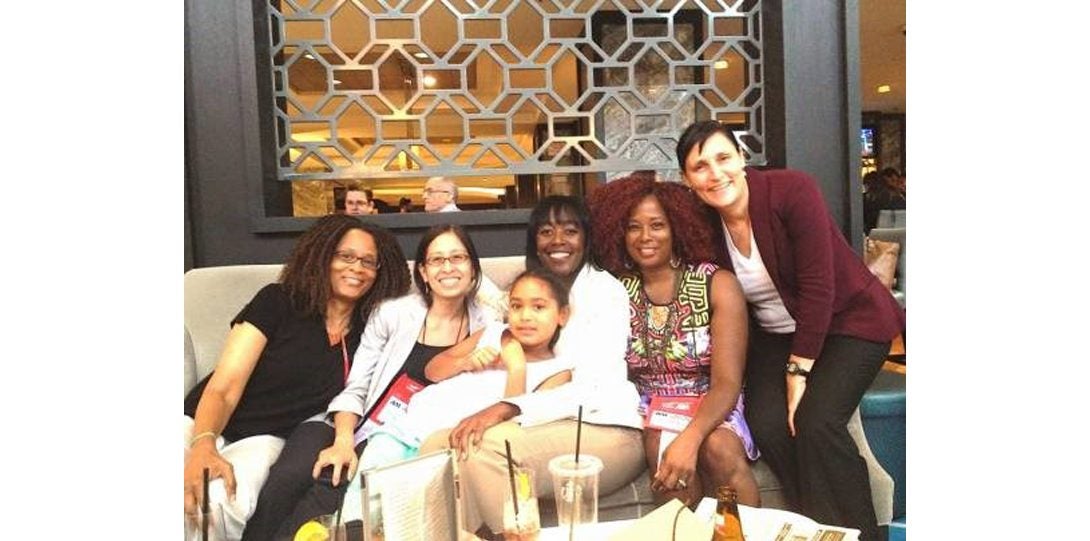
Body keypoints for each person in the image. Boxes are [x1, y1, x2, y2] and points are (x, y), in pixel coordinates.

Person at [675, 120, 905, 541]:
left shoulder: (791, 190)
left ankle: (864, 534)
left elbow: (820, 286)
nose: (715, 173)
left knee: (816, 420)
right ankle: (812, 526)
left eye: (723, 157)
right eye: (700, 167)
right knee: (768, 423)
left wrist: (798, 373)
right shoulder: (706, 226)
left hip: (849, 323)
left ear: (742, 159)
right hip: (775, 335)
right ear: (688, 180)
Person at [242, 225, 501, 539]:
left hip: (402, 438)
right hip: (349, 420)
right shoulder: (392, 314)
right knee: (289, 478)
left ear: (473, 268)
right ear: (422, 270)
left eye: (458, 257)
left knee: (331, 488)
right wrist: (343, 441)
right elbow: (356, 385)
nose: (447, 267)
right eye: (436, 260)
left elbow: (521, 311)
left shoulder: (488, 325)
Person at [418, 195, 645, 537]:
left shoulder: (603, 293)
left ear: (586, 238)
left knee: (486, 451)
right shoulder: (529, 295)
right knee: (439, 446)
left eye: (570, 231)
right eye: (546, 231)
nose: (557, 241)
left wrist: (505, 407)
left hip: (605, 426)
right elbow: (494, 331)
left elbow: (589, 388)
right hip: (550, 423)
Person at [183, 215, 411, 541]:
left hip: (265, 440)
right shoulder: (278, 301)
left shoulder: (370, 332)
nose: (357, 268)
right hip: (202, 419)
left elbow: (443, 304)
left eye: (368, 262)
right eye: (345, 256)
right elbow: (225, 385)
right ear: (322, 256)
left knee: (217, 505)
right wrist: (203, 444)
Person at [586, 173, 760, 507]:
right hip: (651, 406)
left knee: (719, 450)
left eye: (657, 225)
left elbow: (727, 383)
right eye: (633, 227)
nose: (644, 237)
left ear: (677, 228)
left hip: (712, 399)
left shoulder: (715, 284)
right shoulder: (616, 289)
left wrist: (691, 438)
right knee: (664, 449)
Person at [357, 268, 575, 469]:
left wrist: (517, 367)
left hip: (450, 446)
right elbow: (432, 371)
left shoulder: (557, 371)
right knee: (367, 498)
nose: (526, 316)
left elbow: (514, 426)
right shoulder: (493, 333)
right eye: (517, 306)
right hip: (406, 426)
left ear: (562, 315)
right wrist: (466, 362)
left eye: (538, 307)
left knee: (411, 507)